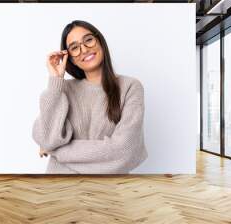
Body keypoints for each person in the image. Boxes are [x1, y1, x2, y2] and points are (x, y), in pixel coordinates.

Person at [32, 20, 148, 174]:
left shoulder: (130, 87)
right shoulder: (62, 89)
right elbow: (46, 138)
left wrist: (55, 151)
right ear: (71, 58)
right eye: (74, 48)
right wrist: (56, 80)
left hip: (105, 193)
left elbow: (123, 151)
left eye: (88, 40)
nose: (84, 49)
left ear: (99, 41)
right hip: (58, 189)